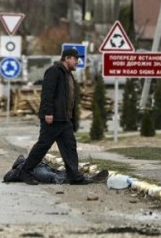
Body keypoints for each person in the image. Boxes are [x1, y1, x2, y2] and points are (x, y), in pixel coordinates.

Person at [16, 48, 104, 185]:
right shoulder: (54, 71)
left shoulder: (68, 74)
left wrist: (72, 119)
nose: (77, 61)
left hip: (64, 119)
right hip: (53, 119)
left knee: (70, 147)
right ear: (67, 58)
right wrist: (48, 113)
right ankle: (25, 171)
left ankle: (75, 176)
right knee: (43, 146)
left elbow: (70, 98)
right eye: (75, 59)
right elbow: (47, 94)